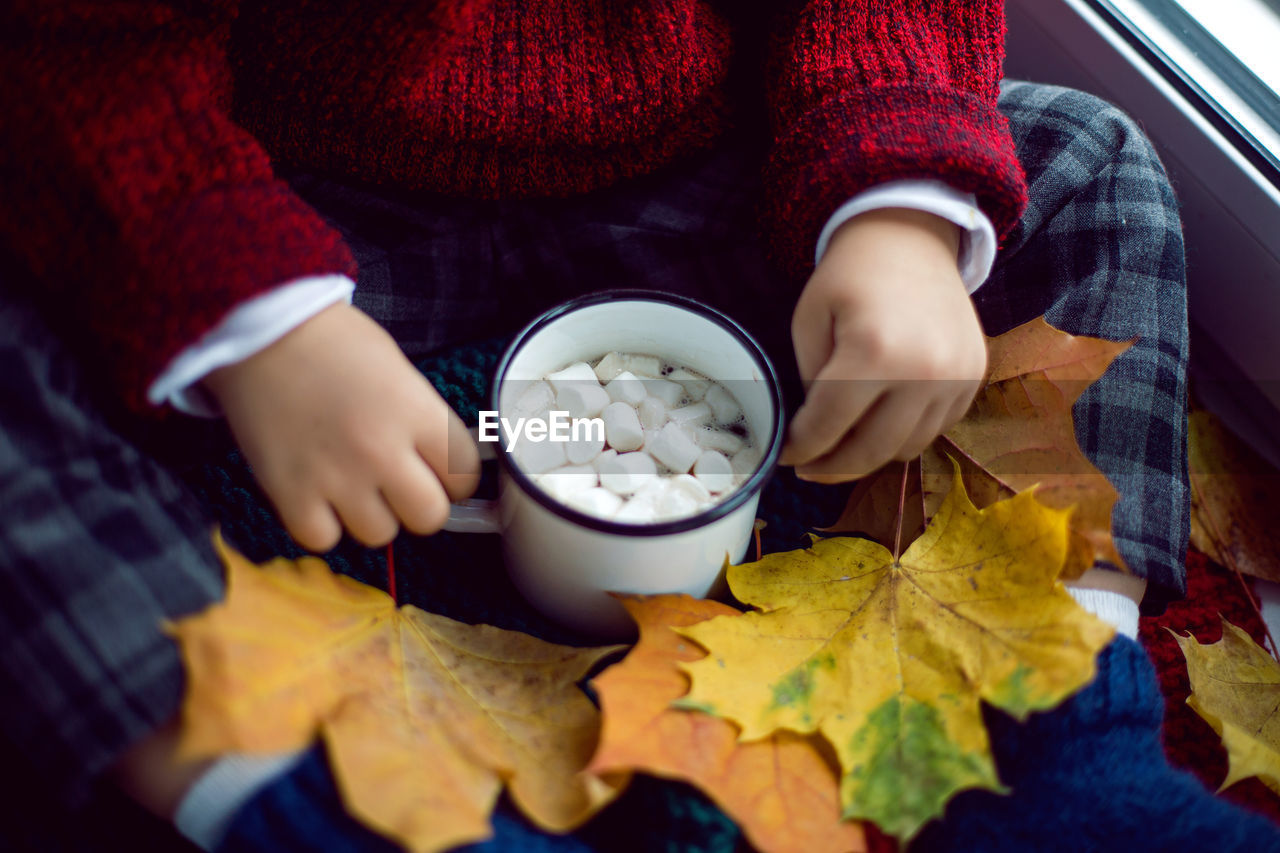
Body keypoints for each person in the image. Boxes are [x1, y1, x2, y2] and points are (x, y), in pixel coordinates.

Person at [2, 1, 1277, 850]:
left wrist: (894, 212)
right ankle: (293, 794)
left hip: (698, 177)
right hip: (299, 203)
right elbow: (73, 45)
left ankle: (1047, 727)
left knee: (1084, 157)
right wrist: (257, 315)